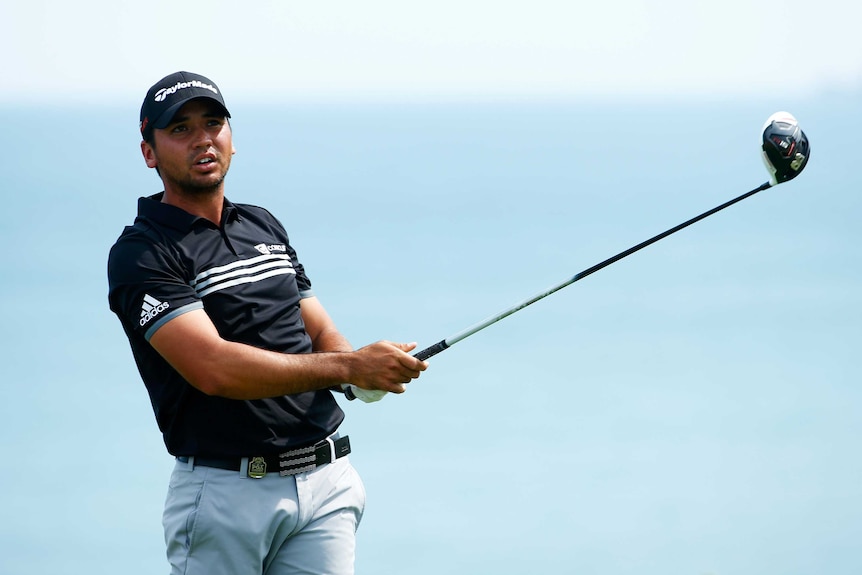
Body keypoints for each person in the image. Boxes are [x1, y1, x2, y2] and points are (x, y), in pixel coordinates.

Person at [107, 71, 428, 575]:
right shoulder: (143, 254)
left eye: (213, 123)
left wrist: (357, 373)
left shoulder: (261, 223)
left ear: (231, 140)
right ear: (149, 152)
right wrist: (346, 366)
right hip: (226, 494)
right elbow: (214, 368)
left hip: (326, 482)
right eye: (181, 129)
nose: (202, 139)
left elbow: (316, 326)